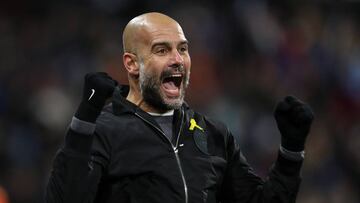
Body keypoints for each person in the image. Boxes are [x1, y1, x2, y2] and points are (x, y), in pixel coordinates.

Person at [45, 12, 314, 203]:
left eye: (183, 49)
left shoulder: (212, 134)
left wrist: (290, 152)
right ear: (131, 64)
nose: (177, 60)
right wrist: (83, 123)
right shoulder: (104, 130)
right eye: (162, 50)